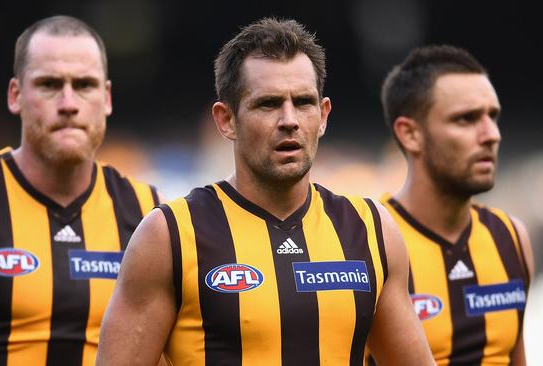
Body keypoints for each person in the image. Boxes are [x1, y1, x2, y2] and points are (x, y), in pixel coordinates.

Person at [95, 17, 435, 366]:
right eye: (268, 104)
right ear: (226, 120)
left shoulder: (370, 229)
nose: (289, 119)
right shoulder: (169, 235)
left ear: (323, 116)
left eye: (303, 102)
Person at [0, 15, 162, 366]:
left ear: (106, 98)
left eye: (84, 85)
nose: (68, 103)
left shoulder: (148, 212)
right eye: (49, 84)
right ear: (15, 96)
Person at [377, 45, 534, 365]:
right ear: (410, 134)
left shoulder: (511, 237)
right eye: (466, 119)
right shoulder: (368, 241)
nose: (492, 135)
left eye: (493, 116)